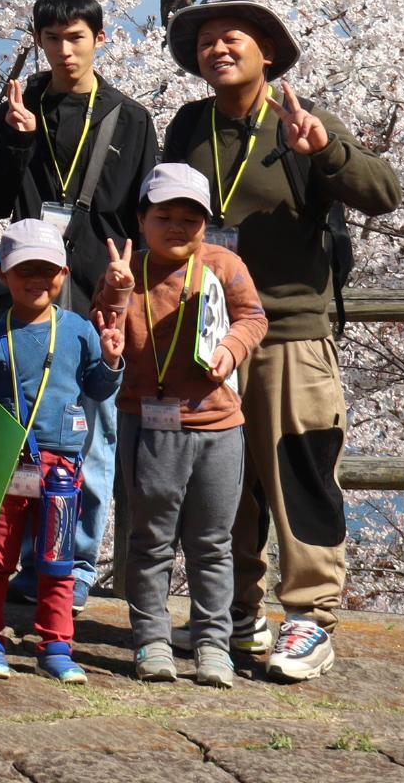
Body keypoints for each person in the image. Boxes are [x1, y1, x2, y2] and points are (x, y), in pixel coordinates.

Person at [160, 0, 400, 681]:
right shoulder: (189, 125)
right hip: (211, 332)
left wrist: (324, 150)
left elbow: (383, 192)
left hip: (291, 330)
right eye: (207, 41)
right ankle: (235, 615)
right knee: (221, 482)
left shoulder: (303, 118)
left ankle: (310, 618)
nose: (218, 49)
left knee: (299, 467)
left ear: (268, 51)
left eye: (232, 38)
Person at [0, 0, 157, 610]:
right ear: (38, 43)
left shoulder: (129, 119)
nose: (65, 51)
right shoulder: (11, 115)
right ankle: (19, 561)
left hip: (97, 291)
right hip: (25, 290)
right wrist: (17, 143)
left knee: (89, 433)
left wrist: (126, 290)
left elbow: (143, 216)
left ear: (101, 40)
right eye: (53, 39)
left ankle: (71, 569)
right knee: (15, 425)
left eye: (77, 38)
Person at [106, 163, 267, 688]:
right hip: (149, 425)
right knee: (150, 539)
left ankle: (212, 643)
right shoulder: (131, 272)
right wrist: (114, 294)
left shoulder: (223, 264)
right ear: (142, 220)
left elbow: (253, 317)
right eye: (164, 215)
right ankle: (151, 638)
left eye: (190, 218)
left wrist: (230, 350)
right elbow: (104, 327)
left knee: (212, 542)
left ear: (205, 223)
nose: (177, 227)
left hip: (220, 425)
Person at [0, 220, 124, 686]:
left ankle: (56, 644)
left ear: (65, 274)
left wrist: (112, 359)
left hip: (61, 468)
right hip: (6, 463)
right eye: (23, 269)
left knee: (59, 560)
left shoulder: (76, 329)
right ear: (4, 276)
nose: (36, 279)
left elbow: (96, 387)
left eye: (47, 270)